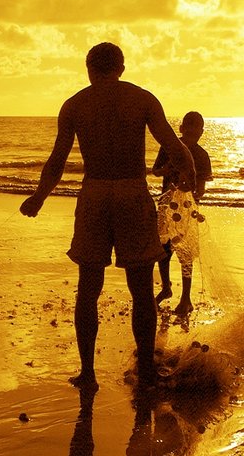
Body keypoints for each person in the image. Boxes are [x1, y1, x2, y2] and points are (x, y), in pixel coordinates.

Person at [20, 43, 195, 390]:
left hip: (95, 194)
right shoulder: (142, 98)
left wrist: (40, 197)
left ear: (89, 68)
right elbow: (174, 145)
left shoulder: (75, 104)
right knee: (141, 289)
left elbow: (57, 159)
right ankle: (145, 370)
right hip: (133, 193)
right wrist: (189, 176)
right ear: (121, 67)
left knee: (89, 287)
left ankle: (88, 373)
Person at [152, 111, 213, 316]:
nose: (192, 131)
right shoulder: (169, 148)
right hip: (166, 206)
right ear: (181, 128)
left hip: (187, 211)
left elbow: (201, 190)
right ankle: (166, 287)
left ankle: (186, 297)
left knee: (186, 253)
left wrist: (189, 190)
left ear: (202, 132)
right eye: (189, 126)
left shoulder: (202, 156)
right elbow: (155, 170)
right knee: (163, 249)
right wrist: (167, 171)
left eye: (196, 128)